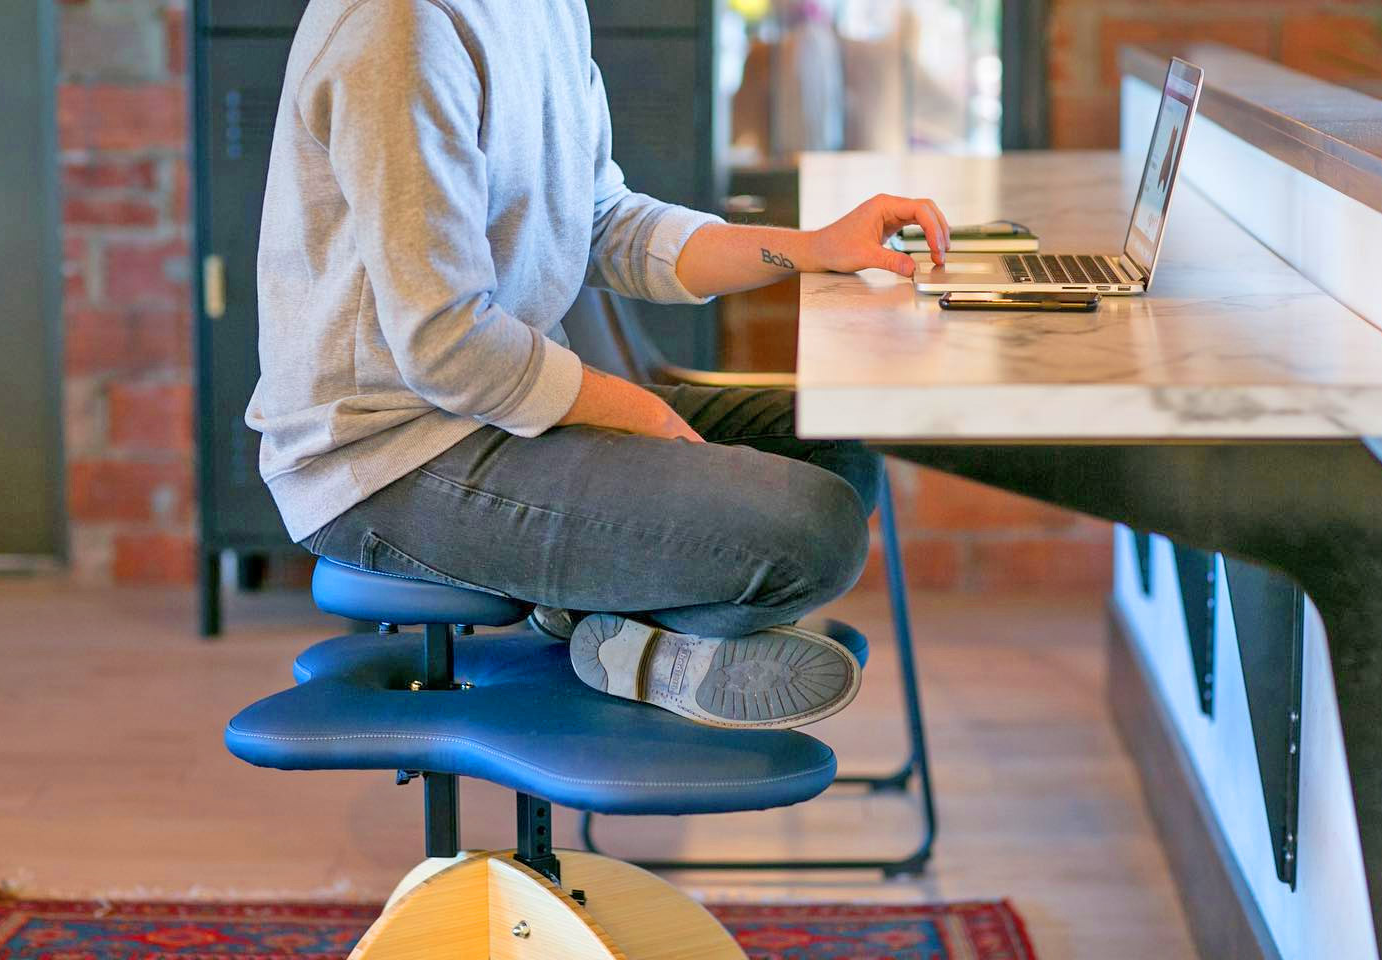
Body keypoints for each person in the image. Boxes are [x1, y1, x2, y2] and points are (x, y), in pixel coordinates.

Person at [247, 0, 950, 730]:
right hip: (388, 454)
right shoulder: (399, 25)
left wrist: (811, 248)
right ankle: (628, 644)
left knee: (843, 447)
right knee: (816, 531)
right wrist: (645, 417)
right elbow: (445, 342)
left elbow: (602, 219)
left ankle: (599, 617)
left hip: (492, 410)